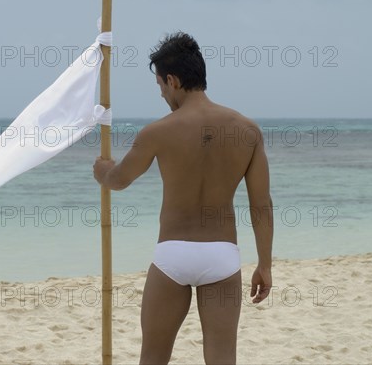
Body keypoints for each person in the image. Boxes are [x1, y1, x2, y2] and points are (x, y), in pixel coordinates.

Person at [93, 32, 273, 365]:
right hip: (222, 254)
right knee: (222, 358)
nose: (161, 94)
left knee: (154, 357)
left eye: (160, 85)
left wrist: (102, 169)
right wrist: (264, 264)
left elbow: (119, 181)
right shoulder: (247, 130)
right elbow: (261, 205)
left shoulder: (157, 132)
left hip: (172, 254)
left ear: (172, 80)